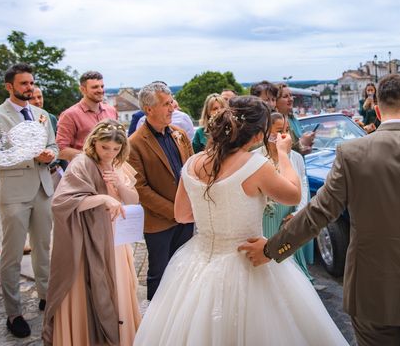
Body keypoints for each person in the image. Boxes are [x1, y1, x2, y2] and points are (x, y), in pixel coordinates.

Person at [239, 74, 400, 346]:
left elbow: (318, 214)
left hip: (371, 292)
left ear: (377, 109)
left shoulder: (351, 154)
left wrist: (271, 250)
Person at [134, 96, 347, 345]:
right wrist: (283, 154)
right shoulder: (256, 165)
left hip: (197, 260)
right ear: (257, 136)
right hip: (247, 260)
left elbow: (181, 215)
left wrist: (211, 211)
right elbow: (293, 195)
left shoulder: (192, 162)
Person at [43, 119, 141, 345]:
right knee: (90, 290)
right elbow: (62, 201)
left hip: (116, 239)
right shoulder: (81, 163)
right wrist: (103, 198)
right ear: (94, 142)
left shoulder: (119, 164)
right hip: (89, 239)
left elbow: (133, 201)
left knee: (119, 288)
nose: (109, 153)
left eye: (116, 149)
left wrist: (120, 185)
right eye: (105, 147)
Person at [0, 63, 58, 338]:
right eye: (24, 84)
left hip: (43, 189)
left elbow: (53, 145)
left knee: (43, 247)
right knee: (11, 255)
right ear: (9, 86)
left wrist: (50, 155)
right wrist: (30, 156)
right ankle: (14, 313)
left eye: (31, 83)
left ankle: (46, 296)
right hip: (13, 194)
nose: (30, 88)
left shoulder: (41, 114)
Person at [128, 82, 194, 300]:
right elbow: (141, 188)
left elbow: (192, 170)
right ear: (149, 109)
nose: (172, 108)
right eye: (166, 104)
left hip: (186, 217)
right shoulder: (134, 143)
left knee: (184, 268)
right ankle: (154, 322)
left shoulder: (180, 134)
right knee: (159, 272)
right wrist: (174, 210)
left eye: (171, 102)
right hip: (158, 221)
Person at [257, 111, 313, 281]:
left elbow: (303, 186)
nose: (284, 135)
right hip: (265, 220)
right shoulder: (256, 157)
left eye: (286, 130)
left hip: (288, 218)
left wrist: (297, 214)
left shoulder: (295, 157)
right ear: (266, 132)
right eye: (279, 130)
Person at [56, 71, 118, 162]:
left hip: (111, 169)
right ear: (83, 89)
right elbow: (60, 150)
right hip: (84, 171)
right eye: (95, 87)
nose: (100, 90)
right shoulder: (69, 115)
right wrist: (92, 157)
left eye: (102, 86)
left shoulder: (111, 111)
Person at [276, 83, 315, 155]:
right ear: (275, 101)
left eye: (291, 95)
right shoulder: (274, 124)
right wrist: (302, 143)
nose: (290, 99)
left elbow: (299, 147)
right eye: (285, 96)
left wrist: (307, 143)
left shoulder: (293, 119)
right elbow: (278, 150)